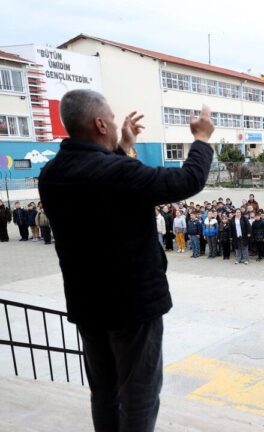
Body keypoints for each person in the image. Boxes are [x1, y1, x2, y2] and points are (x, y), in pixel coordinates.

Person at [38, 89, 214, 432]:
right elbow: (187, 180)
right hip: (132, 306)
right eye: (112, 119)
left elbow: (100, 185)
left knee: (104, 392)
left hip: (88, 303)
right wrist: (202, 139)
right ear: (101, 124)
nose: (116, 123)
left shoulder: (52, 174)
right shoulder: (117, 173)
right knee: (139, 396)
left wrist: (122, 146)